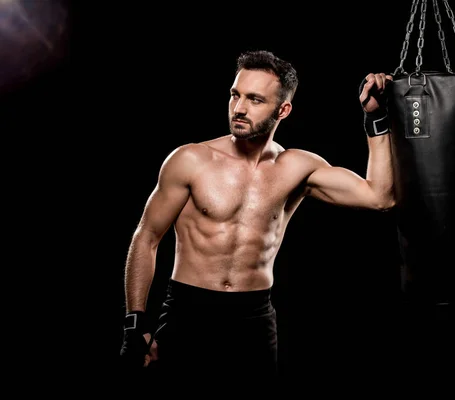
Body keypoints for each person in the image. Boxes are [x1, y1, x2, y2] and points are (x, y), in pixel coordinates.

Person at [119, 49, 396, 386]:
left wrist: (376, 119)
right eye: (235, 94)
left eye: (254, 99)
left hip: (253, 317)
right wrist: (135, 320)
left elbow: (380, 197)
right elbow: (146, 236)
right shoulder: (191, 159)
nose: (239, 108)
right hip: (189, 313)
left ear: (283, 109)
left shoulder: (297, 168)